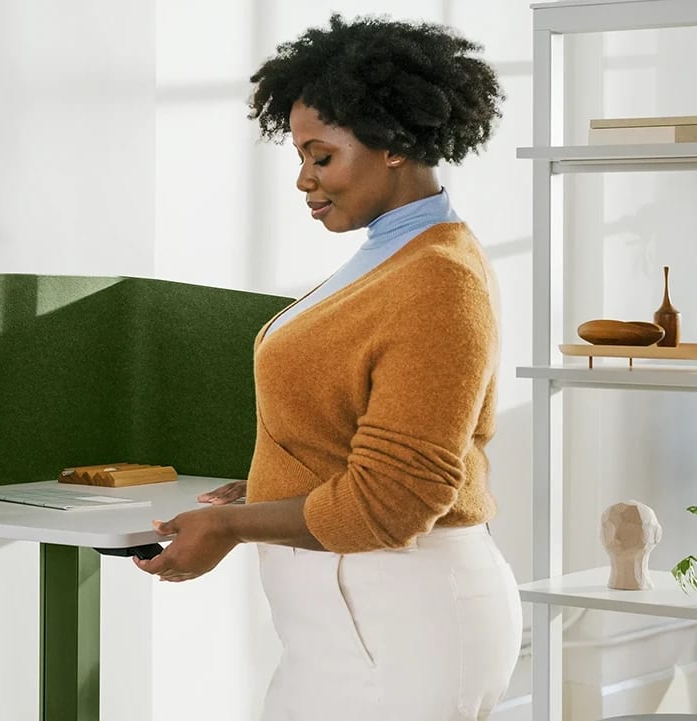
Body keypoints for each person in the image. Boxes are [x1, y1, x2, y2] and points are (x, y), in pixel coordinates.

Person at [134, 13, 522, 721]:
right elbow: (368, 428)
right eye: (301, 157)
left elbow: (398, 497)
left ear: (395, 143)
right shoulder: (388, 258)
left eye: (321, 156)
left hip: (403, 620)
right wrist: (268, 486)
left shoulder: (439, 280)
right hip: (355, 618)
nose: (304, 180)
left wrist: (231, 527)